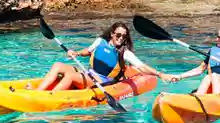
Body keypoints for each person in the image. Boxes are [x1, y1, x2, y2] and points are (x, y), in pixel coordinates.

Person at [35, 22, 174, 91]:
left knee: (70, 76)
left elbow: (141, 66)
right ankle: (38, 92)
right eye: (118, 35)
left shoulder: (124, 52)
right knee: (58, 65)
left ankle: (49, 97)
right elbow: (89, 51)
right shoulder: (100, 41)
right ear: (112, 33)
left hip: (101, 81)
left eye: (124, 36)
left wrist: (160, 74)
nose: (121, 38)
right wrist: (76, 53)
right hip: (89, 73)